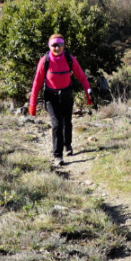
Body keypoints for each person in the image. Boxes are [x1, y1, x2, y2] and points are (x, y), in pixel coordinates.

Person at [27, 34, 94, 166]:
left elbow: (82, 77)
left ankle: (67, 145)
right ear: (49, 46)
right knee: (57, 124)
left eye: (59, 45)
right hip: (50, 97)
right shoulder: (44, 61)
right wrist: (32, 104)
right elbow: (37, 83)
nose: (56, 48)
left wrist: (88, 95)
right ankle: (58, 156)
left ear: (63, 45)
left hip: (67, 95)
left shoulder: (70, 59)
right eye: (54, 45)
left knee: (67, 122)